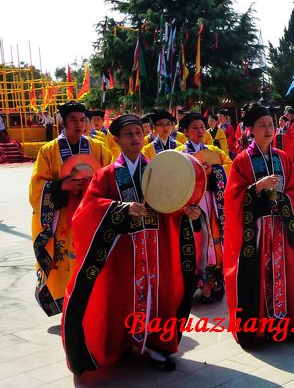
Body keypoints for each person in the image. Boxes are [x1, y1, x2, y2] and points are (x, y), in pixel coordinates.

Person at [62, 114, 201, 375]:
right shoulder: (106, 175)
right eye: (129, 134)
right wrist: (119, 208)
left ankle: (158, 345)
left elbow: (171, 204)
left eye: (139, 133)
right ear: (116, 140)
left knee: (159, 296)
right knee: (121, 299)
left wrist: (186, 211)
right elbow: (87, 210)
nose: (136, 138)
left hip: (157, 249)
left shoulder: (160, 169)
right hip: (124, 253)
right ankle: (122, 343)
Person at [223, 104, 294, 347]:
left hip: (282, 229)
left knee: (288, 272)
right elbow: (232, 199)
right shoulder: (242, 161)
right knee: (258, 275)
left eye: (271, 125)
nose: (269, 129)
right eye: (262, 125)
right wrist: (257, 188)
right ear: (250, 130)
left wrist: (283, 200)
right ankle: (258, 329)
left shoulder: (282, 157)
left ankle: (291, 324)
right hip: (257, 233)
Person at [29, 101, 111, 316]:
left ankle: (92, 305)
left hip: (90, 214)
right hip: (62, 217)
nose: (79, 124)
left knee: (91, 259)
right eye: (73, 120)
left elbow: (109, 176)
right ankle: (67, 309)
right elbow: (37, 186)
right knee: (64, 262)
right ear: (63, 123)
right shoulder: (48, 151)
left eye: (82, 120)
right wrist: (62, 185)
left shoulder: (98, 147)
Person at [176, 113, 232, 303]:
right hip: (193, 203)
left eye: (202, 127)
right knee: (197, 240)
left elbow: (230, 167)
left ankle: (214, 280)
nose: (200, 131)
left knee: (215, 237)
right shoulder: (179, 153)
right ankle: (198, 283)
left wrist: (215, 170)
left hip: (213, 201)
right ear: (184, 131)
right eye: (194, 127)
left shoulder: (214, 150)